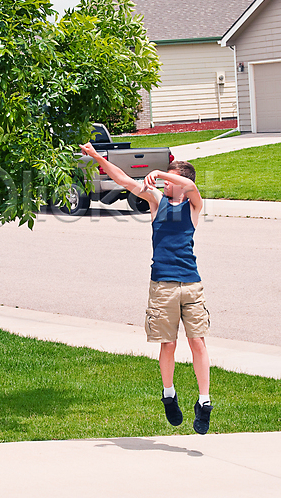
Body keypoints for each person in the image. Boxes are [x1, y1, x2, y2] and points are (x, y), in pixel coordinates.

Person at [79, 141, 213, 434]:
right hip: (162, 285)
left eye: (170, 178)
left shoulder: (193, 205)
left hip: (191, 283)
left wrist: (159, 173)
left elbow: (189, 186)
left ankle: (204, 402)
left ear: (181, 182)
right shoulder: (157, 201)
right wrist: (95, 156)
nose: (164, 182)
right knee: (168, 344)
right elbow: (123, 180)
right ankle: (169, 395)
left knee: (198, 343)